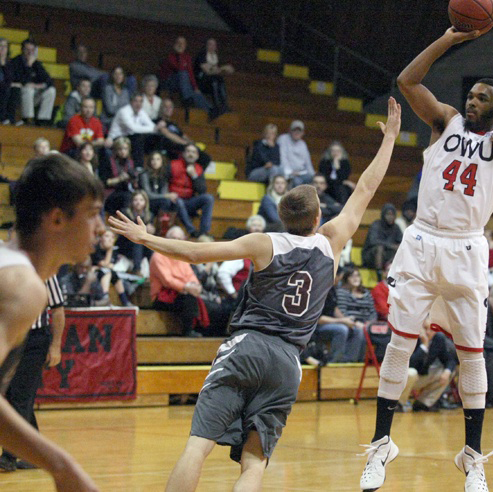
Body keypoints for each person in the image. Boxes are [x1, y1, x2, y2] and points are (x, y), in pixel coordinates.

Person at [108, 97, 401, 491]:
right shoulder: (331, 244)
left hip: (248, 346)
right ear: (318, 219)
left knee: (198, 446)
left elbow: (195, 252)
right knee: (253, 463)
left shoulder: (265, 243)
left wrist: (146, 237)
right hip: (288, 361)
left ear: (283, 217)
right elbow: (366, 187)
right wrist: (390, 139)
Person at [360, 9, 493, 491]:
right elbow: (407, 81)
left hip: (466, 250)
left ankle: (473, 459)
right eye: (470, 95)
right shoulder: (445, 123)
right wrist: (447, 39)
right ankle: (379, 448)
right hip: (422, 241)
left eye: (482, 99)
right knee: (399, 347)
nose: (472, 102)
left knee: (472, 357)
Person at [0, 153, 103, 490]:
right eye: (92, 215)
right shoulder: (23, 287)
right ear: (57, 219)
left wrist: (59, 464)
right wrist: (61, 464)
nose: (100, 228)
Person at [0, 275, 65, 472]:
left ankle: (9, 456)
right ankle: (37, 455)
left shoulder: (47, 273)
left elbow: (58, 310)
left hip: (35, 340)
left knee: (20, 395)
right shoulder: (8, 269)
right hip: (12, 336)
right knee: (13, 395)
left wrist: (55, 345)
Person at [169, 143, 214, 239]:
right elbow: (164, 181)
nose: (190, 154)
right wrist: (167, 194)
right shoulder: (173, 164)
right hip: (173, 200)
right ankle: (192, 231)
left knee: (208, 198)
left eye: (193, 152)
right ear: (184, 154)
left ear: (197, 156)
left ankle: (204, 232)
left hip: (189, 201)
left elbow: (202, 190)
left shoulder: (198, 168)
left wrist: (194, 176)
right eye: (188, 151)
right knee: (179, 201)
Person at [149, 99, 211, 166]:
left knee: (205, 157)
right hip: (172, 148)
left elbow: (184, 135)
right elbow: (167, 134)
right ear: (161, 108)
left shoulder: (173, 124)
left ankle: (194, 175)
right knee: (202, 158)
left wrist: (192, 144)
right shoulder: (158, 121)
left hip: (183, 146)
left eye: (170, 107)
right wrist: (185, 143)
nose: (168, 109)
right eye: (165, 107)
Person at [107, 93, 163, 166]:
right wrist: (154, 128)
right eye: (136, 101)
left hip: (130, 136)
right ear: (131, 102)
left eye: (140, 101)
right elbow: (133, 128)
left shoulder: (141, 112)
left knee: (156, 137)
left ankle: (155, 166)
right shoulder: (124, 111)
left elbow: (152, 125)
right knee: (138, 138)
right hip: (116, 138)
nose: (138, 104)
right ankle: (138, 167)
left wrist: (155, 128)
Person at [9, 39, 55, 126]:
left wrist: (39, 85)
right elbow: (20, 80)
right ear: (22, 50)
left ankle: (43, 120)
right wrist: (29, 67)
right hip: (19, 96)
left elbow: (49, 80)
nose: (30, 52)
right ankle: (27, 119)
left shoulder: (36, 63)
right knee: (28, 89)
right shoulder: (15, 62)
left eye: (32, 50)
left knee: (51, 91)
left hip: (34, 96)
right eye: (27, 50)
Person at [159, 36, 211, 112]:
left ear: (185, 45)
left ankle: (209, 110)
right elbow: (178, 68)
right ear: (174, 45)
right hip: (169, 82)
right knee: (183, 73)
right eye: (178, 43)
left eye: (182, 43)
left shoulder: (187, 57)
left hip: (183, 85)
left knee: (195, 91)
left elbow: (190, 73)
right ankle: (187, 98)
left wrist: (195, 87)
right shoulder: (170, 56)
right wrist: (179, 55)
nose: (180, 45)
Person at [194, 38, 233, 118]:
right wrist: (222, 68)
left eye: (214, 45)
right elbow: (207, 71)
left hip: (212, 80)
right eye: (210, 44)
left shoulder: (216, 56)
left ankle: (224, 104)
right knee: (214, 80)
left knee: (220, 80)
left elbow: (228, 69)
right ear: (206, 46)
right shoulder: (202, 55)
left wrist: (224, 69)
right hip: (201, 82)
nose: (212, 47)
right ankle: (217, 105)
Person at [99, 137, 138, 216]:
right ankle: (125, 221)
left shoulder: (130, 162)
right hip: (110, 193)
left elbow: (134, 182)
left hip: (125, 190)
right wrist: (120, 179)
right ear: (116, 150)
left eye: (125, 149)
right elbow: (104, 182)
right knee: (127, 197)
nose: (123, 152)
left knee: (137, 196)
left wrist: (134, 179)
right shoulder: (108, 161)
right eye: (120, 149)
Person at [361, 203, 403, 270]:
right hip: (371, 255)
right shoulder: (376, 225)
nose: (390, 217)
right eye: (388, 214)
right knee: (379, 248)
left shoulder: (396, 227)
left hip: (388, 255)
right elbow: (373, 241)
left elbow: (402, 242)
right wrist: (391, 246)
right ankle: (379, 275)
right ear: (383, 214)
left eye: (392, 215)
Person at [276, 120, 314, 186]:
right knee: (297, 181)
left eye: (299, 131)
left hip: (301, 173)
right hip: (287, 173)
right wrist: (290, 171)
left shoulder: (303, 144)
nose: (297, 132)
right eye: (294, 130)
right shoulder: (283, 139)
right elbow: (282, 158)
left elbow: (308, 163)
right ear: (290, 131)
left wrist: (314, 175)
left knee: (313, 179)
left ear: (303, 133)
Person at [0, 37, 18, 125]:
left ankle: (11, 119)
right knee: (5, 89)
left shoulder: (10, 63)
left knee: (15, 89)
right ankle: (2, 118)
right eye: (0, 46)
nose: (3, 49)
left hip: (6, 86)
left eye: (5, 46)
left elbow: (12, 78)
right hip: (2, 86)